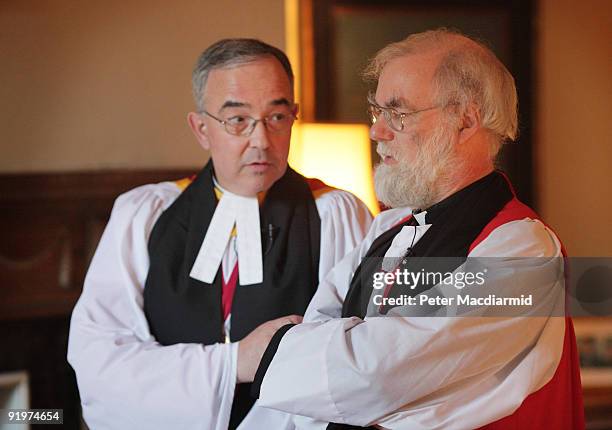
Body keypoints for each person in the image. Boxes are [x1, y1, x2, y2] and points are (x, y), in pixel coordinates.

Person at [248, 29, 584, 429]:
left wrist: (272, 351)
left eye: (398, 113)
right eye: (378, 111)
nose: (377, 131)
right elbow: (323, 335)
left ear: (464, 121)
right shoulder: (388, 227)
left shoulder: (520, 249)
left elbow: (373, 373)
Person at [67, 38, 373, 430]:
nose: (261, 140)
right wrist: (236, 361)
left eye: (277, 117)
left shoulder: (336, 215)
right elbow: (102, 368)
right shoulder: (144, 214)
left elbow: (356, 366)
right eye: (238, 120)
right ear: (201, 129)